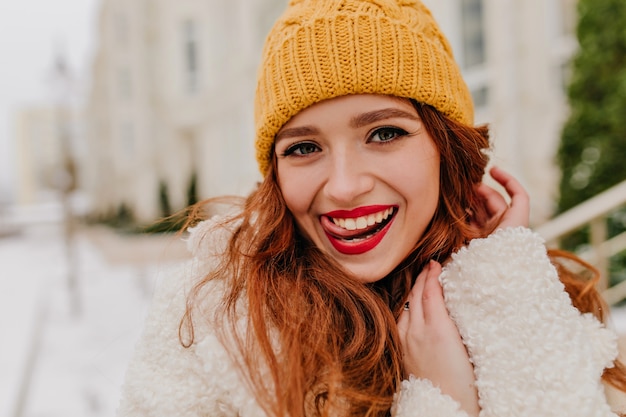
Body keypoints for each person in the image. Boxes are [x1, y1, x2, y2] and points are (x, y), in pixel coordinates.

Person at [116, 0, 626, 416]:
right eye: (303, 148)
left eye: (384, 133)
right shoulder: (216, 325)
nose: (343, 186)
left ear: (445, 149)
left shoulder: (527, 295)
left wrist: (506, 287)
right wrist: (441, 403)